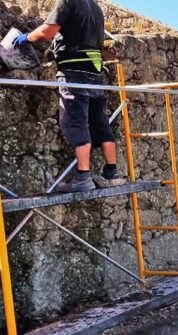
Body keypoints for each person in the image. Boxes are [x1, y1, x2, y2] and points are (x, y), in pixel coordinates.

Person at [14, 0, 125, 192]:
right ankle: (112, 174)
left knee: (75, 121)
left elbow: (47, 32)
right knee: (99, 122)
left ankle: (82, 177)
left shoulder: (68, 1)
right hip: (95, 71)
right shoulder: (95, 7)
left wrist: (26, 37)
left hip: (75, 71)